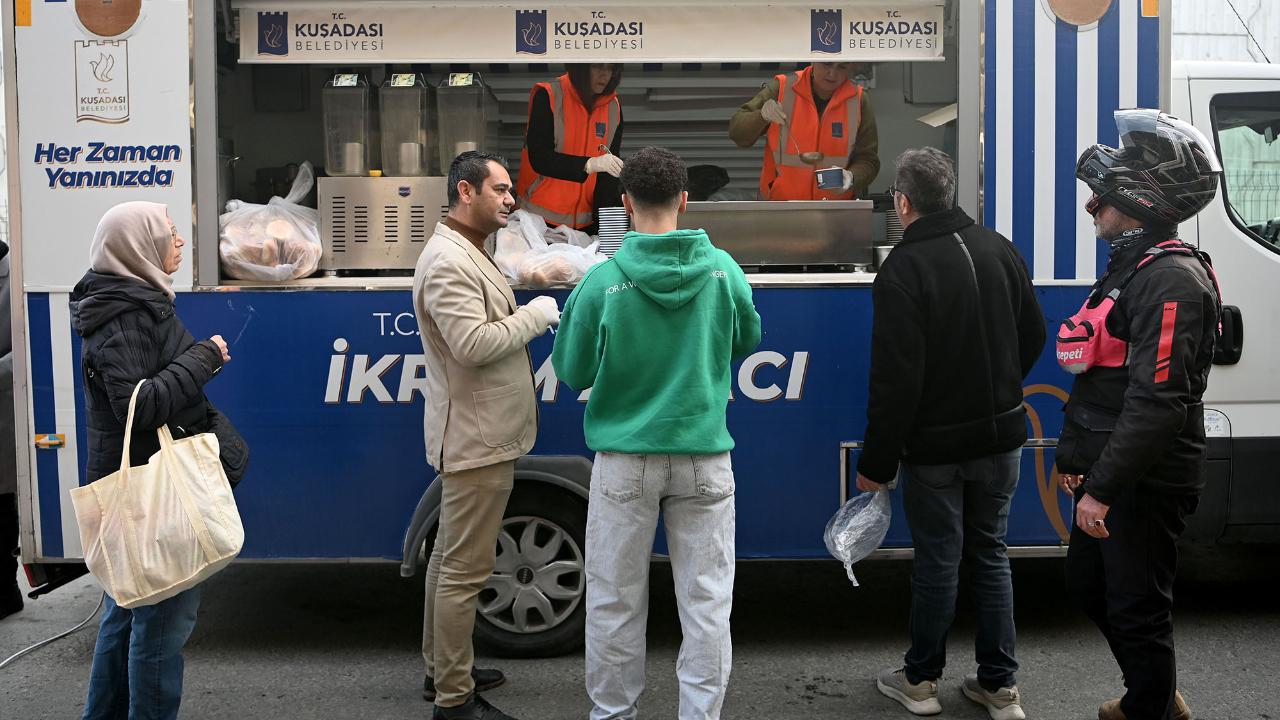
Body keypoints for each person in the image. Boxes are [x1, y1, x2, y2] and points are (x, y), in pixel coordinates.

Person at [552, 146, 762, 720]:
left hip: (625, 461)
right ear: (684, 201)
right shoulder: (724, 269)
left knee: (616, 601)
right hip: (706, 460)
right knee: (707, 606)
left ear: (625, 203)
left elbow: (572, 370)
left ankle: (615, 714)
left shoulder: (601, 282)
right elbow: (746, 338)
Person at [854, 148, 1044, 720]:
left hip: (935, 448)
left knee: (938, 559)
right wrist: (1002, 392)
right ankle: (1000, 688)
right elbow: (1031, 334)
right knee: (991, 554)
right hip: (1002, 438)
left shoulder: (902, 271)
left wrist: (877, 460)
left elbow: (896, 381)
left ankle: (920, 683)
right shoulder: (999, 249)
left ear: (902, 202)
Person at [1057, 109, 1224, 720]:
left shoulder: (1172, 280)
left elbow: (1157, 403)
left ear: (1139, 202)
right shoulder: (1135, 268)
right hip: (1115, 473)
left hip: (1145, 480)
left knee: (1137, 605)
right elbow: (1107, 377)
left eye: (1100, 199)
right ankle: (1152, 693)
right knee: (1088, 585)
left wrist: (1101, 488)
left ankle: (1150, 704)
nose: (1091, 210)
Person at [72, 202, 239, 719]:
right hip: (154, 493)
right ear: (139, 246)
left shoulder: (132, 299)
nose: (180, 242)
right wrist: (204, 357)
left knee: (126, 614)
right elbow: (139, 407)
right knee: (161, 626)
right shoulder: (126, 313)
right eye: (170, 234)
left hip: (142, 480)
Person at [414, 150, 561, 720]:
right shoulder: (449, 260)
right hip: (476, 440)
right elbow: (472, 345)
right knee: (463, 572)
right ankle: (454, 701)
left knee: (448, 561)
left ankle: (442, 670)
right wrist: (536, 314)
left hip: (478, 433)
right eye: (500, 190)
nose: (510, 200)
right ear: (465, 192)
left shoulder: (470, 249)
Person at [729, 62, 880, 200]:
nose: (832, 74)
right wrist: (761, 116)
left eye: (842, 67)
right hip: (777, 209)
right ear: (813, 60)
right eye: (827, 64)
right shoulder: (782, 88)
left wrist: (851, 177)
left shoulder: (858, 100)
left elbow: (868, 160)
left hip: (835, 212)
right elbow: (737, 133)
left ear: (852, 67)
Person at [517, 63, 624, 233]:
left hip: (585, 227)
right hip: (537, 221)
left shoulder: (613, 107)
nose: (605, 75)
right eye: (598, 67)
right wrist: (588, 165)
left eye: (611, 69)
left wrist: (609, 230)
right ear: (581, 68)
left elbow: (608, 177)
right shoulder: (549, 95)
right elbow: (539, 158)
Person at [0, 239, 20, 621]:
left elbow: (25, 346)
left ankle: (5, 589)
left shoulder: (14, 275)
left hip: (2, 412)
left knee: (1, 506)